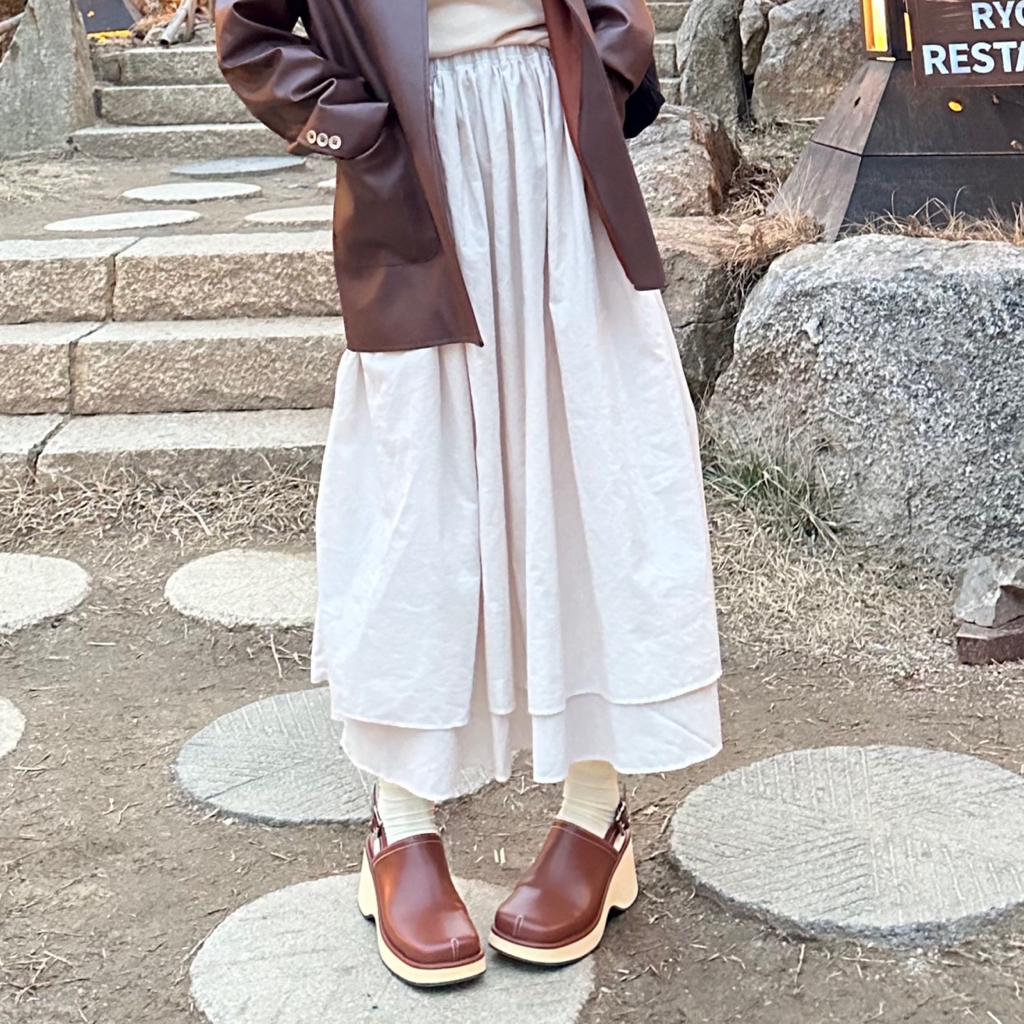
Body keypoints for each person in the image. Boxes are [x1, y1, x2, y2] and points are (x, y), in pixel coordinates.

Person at [216, 0, 722, 988]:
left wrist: (597, 81)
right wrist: (359, 129)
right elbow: (252, 36)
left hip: (561, 164)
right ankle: (399, 820)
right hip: (411, 174)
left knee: (592, 466)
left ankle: (595, 813)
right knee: (417, 492)